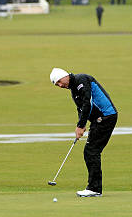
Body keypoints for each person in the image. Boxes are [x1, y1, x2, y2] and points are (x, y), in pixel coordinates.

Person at [50, 68, 118, 198]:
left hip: (105, 117)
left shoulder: (82, 80)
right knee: (91, 151)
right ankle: (94, 188)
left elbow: (88, 103)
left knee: (91, 151)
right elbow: (80, 109)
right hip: (98, 120)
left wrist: (81, 125)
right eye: (56, 84)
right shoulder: (73, 89)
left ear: (65, 76)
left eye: (59, 81)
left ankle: (94, 189)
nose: (59, 85)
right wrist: (81, 125)